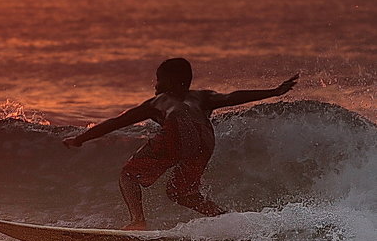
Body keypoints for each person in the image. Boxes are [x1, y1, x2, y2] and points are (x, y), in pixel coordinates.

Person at [63, 58, 299, 230]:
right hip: (205, 139)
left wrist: (80, 139)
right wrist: (274, 91)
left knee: (128, 175)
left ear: (171, 82)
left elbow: (117, 122)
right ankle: (226, 221)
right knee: (181, 192)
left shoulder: (159, 101)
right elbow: (232, 97)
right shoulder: (202, 96)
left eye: (158, 80)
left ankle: (138, 222)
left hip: (178, 127)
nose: (155, 85)